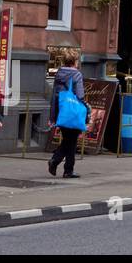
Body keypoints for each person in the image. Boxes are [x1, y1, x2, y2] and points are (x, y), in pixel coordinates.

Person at [48, 47, 85, 178]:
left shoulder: (59, 73)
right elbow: (80, 95)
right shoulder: (77, 74)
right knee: (71, 141)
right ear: (75, 61)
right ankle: (57, 162)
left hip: (61, 112)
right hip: (73, 112)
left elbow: (54, 96)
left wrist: (52, 116)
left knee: (69, 140)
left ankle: (67, 169)